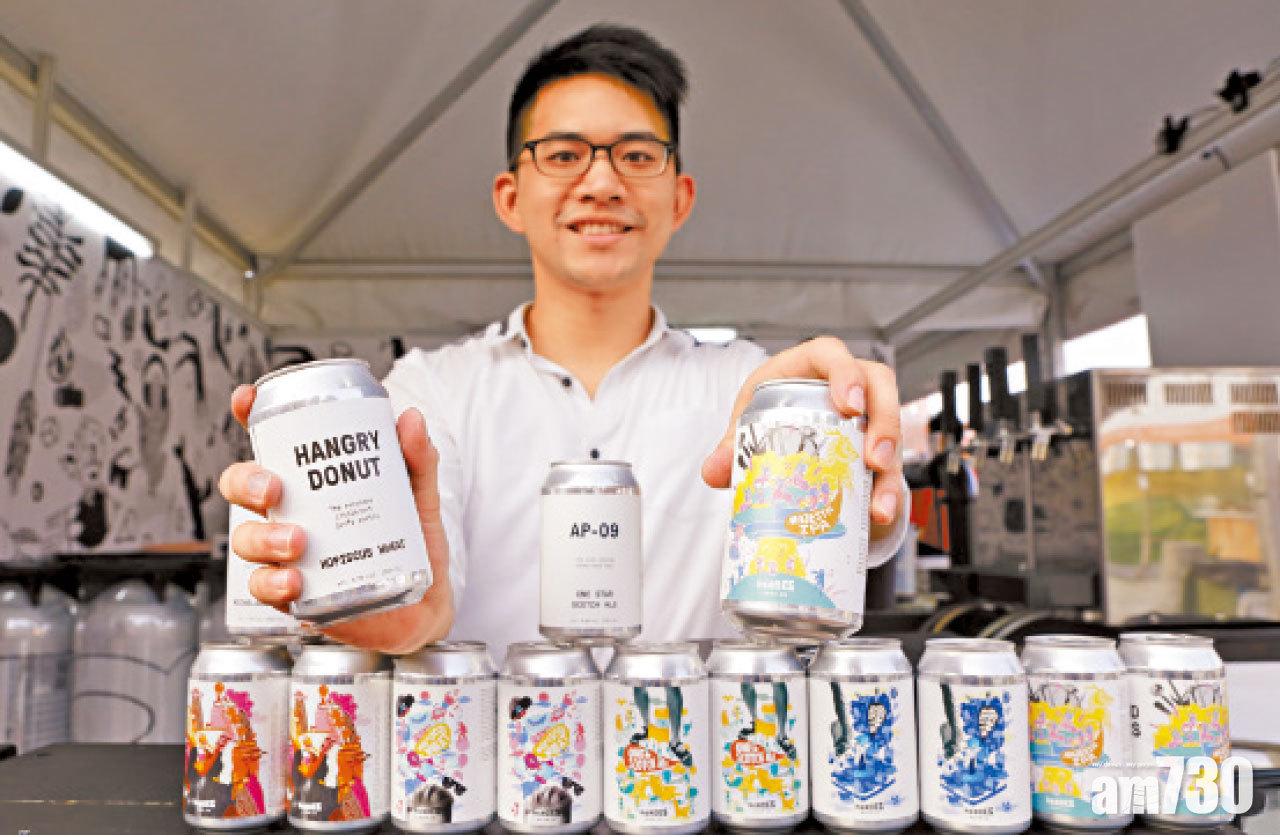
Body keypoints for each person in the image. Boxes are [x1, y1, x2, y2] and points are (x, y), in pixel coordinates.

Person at [219, 24, 908, 656]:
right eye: (564, 154)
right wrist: (392, 605)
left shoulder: (749, 390)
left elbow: (847, 530)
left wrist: (863, 482)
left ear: (679, 198)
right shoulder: (430, 390)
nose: (601, 183)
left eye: (637, 155)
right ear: (510, 197)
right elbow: (418, 592)